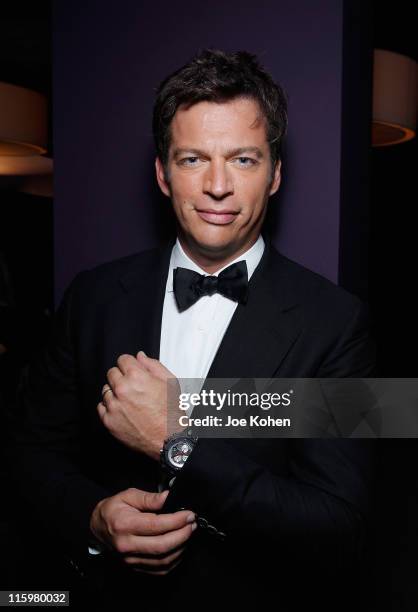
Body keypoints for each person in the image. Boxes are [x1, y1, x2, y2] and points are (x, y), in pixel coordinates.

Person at [6, 49, 376, 610]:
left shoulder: (341, 323)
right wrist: (92, 518)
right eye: (193, 159)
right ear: (161, 172)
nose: (218, 185)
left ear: (275, 174)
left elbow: (339, 525)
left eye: (245, 160)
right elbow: (28, 452)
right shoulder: (93, 296)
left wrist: (175, 441)